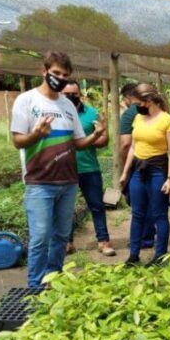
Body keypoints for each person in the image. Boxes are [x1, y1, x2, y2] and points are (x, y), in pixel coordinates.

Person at [11, 51, 106, 288]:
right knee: (40, 237)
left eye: (65, 75)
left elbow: (77, 143)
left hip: (68, 181)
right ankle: (34, 285)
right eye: (55, 73)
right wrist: (37, 134)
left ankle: (53, 278)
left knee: (62, 236)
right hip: (39, 181)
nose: (60, 78)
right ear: (44, 71)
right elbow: (17, 141)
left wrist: (95, 136)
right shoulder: (27, 100)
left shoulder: (67, 106)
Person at [118, 83, 170, 266]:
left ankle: (160, 256)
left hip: (158, 170)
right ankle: (133, 255)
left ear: (149, 101)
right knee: (137, 213)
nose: (136, 106)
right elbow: (134, 147)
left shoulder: (167, 120)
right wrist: (125, 172)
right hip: (138, 170)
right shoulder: (137, 118)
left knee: (159, 214)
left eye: (138, 102)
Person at [62, 81, 115, 256]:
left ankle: (103, 241)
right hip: (64, 169)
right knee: (65, 208)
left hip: (88, 167)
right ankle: (67, 243)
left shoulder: (92, 113)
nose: (71, 97)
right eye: (67, 93)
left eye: (74, 94)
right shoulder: (56, 114)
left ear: (80, 95)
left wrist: (97, 135)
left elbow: (104, 141)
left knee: (97, 205)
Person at [120, 83, 155, 249]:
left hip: (137, 163)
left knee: (138, 205)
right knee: (152, 202)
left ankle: (142, 239)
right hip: (157, 163)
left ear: (128, 97)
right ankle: (148, 236)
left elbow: (126, 144)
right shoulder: (160, 111)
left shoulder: (129, 114)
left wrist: (124, 168)